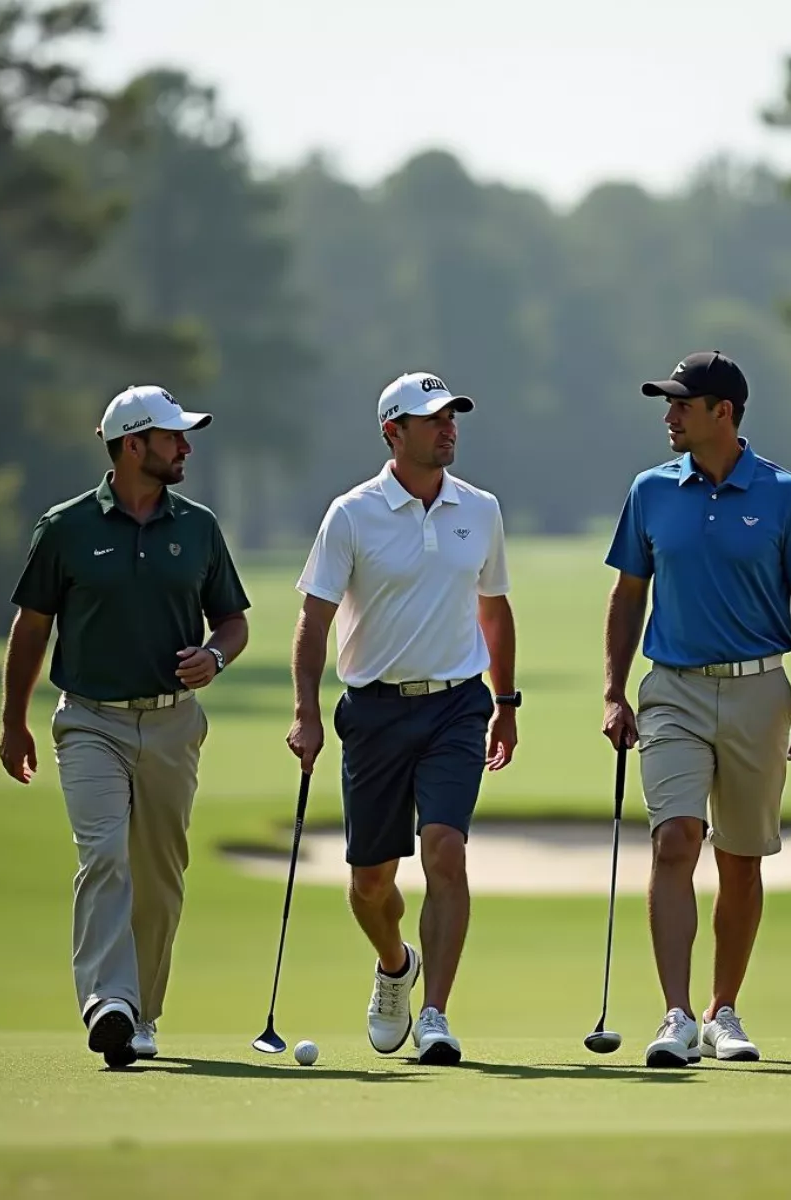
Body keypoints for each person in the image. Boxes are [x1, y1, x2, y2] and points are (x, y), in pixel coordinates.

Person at [0, 384, 251, 1068]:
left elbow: (232, 620)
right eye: (173, 437)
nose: (186, 447)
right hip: (89, 723)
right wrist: (13, 721)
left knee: (160, 875)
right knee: (103, 854)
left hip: (173, 725)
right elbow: (32, 627)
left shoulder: (197, 526)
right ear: (134, 445)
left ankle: (142, 1013)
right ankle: (109, 1001)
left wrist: (216, 655)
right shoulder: (66, 527)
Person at [601, 350, 791, 1068]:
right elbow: (628, 596)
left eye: (681, 404)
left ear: (722, 414)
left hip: (761, 689)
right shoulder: (650, 490)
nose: (668, 415)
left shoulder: (786, 494)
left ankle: (721, 1010)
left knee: (740, 858)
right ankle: (674, 1014)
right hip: (671, 688)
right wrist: (614, 689)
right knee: (675, 841)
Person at [287, 370, 519, 1067]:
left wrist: (505, 703)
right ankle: (395, 966)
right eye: (431, 419)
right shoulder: (351, 514)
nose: (448, 428)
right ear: (393, 432)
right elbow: (315, 618)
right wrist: (305, 708)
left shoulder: (480, 509)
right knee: (370, 882)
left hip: (456, 703)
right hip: (375, 711)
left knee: (446, 849)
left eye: (452, 417)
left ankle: (438, 1015)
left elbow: (495, 608)